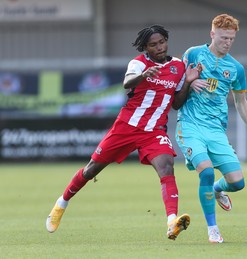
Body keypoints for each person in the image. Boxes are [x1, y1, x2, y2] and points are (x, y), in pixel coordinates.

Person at [46, 25, 202, 240]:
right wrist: (144, 75)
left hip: (154, 131)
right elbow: (126, 83)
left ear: (167, 40)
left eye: (162, 42)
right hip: (126, 127)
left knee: (166, 166)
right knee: (91, 170)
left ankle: (171, 222)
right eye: (153, 45)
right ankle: (61, 204)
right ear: (145, 48)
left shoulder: (178, 67)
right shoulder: (139, 63)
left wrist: (188, 82)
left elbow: (176, 103)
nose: (159, 47)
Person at [175, 14, 247, 243]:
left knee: (238, 182)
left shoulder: (236, 69)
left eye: (231, 38)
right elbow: (176, 86)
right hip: (190, 125)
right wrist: (190, 81)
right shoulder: (193, 54)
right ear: (212, 34)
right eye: (223, 37)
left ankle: (218, 189)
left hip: (216, 130)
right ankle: (213, 229)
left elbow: (241, 102)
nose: (227, 42)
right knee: (206, 171)